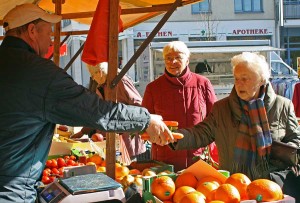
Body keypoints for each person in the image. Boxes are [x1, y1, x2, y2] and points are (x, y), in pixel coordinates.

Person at [0, 4, 173, 202]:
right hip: (10, 190)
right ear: (32, 30)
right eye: (49, 34)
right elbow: (95, 110)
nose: (50, 42)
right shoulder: (38, 73)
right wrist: (146, 120)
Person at [164, 52, 300, 201]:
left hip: (270, 189)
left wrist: (283, 152)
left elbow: (296, 139)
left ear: (261, 79)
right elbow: (200, 133)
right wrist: (175, 137)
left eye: (244, 79)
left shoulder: (283, 106)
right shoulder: (221, 108)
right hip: (233, 190)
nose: (239, 83)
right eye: (236, 79)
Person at [142, 41, 218, 172]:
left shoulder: (203, 84)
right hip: (165, 158)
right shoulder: (153, 88)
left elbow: (215, 117)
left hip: (199, 156)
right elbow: (145, 121)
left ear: (187, 60)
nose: (173, 62)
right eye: (169, 58)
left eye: (178, 57)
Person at [71, 62, 146, 164]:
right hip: (106, 142)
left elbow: (138, 105)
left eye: (93, 75)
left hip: (124, 140)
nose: (93, 78)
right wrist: (83, 132)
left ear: (100, 72)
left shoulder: (120, 81)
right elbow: (97, 112)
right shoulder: (101, 85)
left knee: (125, 171)